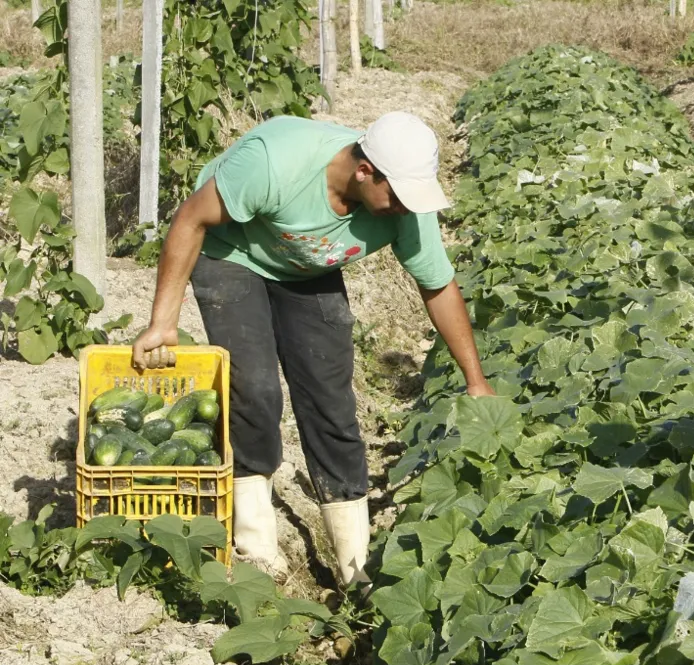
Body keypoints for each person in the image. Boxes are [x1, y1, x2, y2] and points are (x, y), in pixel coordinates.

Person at [132, 111, 494, 586]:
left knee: (330, 399)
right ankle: (256, 543)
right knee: (255, 390)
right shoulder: (275, 163)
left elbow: (438, 286)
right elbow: (190, 219)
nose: (404, 208)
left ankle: (354, 564)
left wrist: (475, 380)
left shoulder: (402, 208)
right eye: (398, 197)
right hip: (232, 253)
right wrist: (163, 322)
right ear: (365, 172)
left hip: (308, 267)